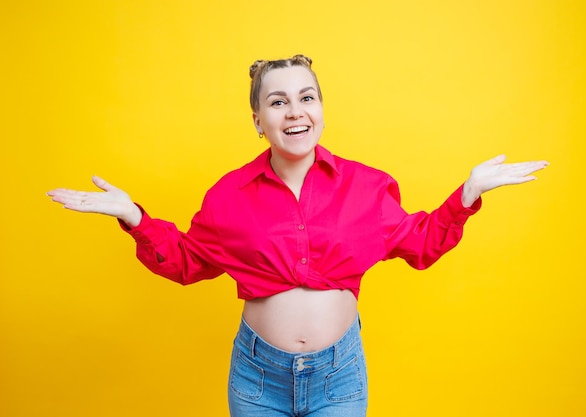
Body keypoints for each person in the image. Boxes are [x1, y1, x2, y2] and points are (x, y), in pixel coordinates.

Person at [47, 54, 548, 417]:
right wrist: (133, 216)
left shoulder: (368, 187)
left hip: (340, 377)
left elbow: (419, 244)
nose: (295, 111)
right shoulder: (227, 196)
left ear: (321, 108)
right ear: (258, 121)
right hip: (257, 378)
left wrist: (467, 194)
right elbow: (185, 261)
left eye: (306, 98)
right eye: (278, 102)